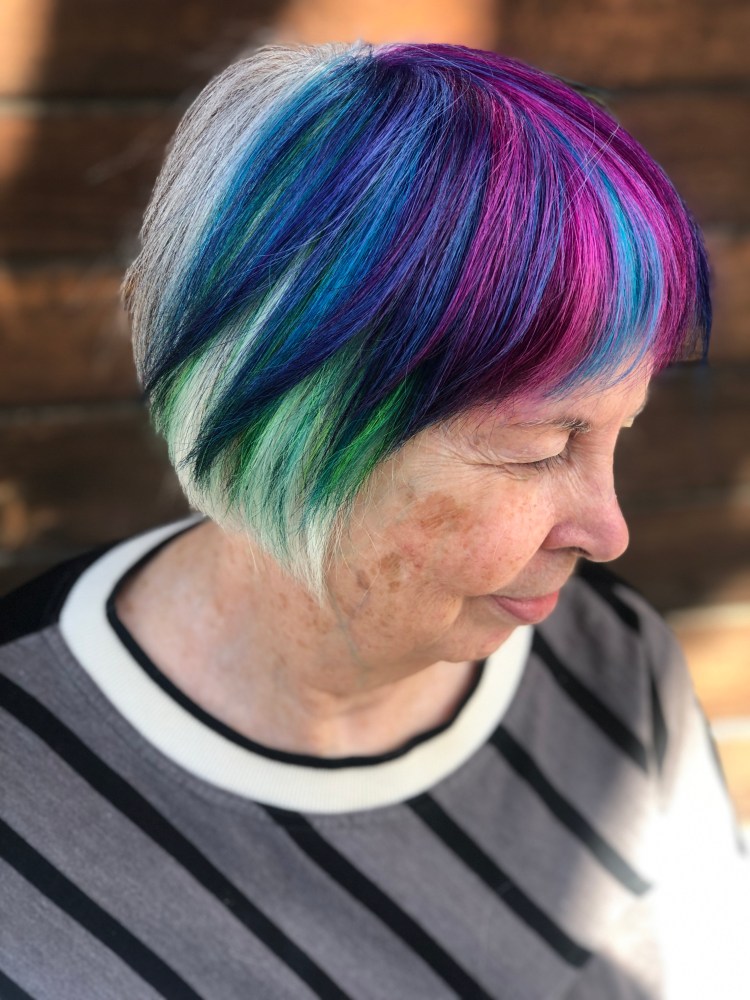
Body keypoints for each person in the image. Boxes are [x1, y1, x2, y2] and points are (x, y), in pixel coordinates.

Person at [1, 41, 747, 1000]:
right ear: (284, 424)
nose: (609, 533)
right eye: (538, 448)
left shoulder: (614, 665)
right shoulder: (29, 772)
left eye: (619, 434)